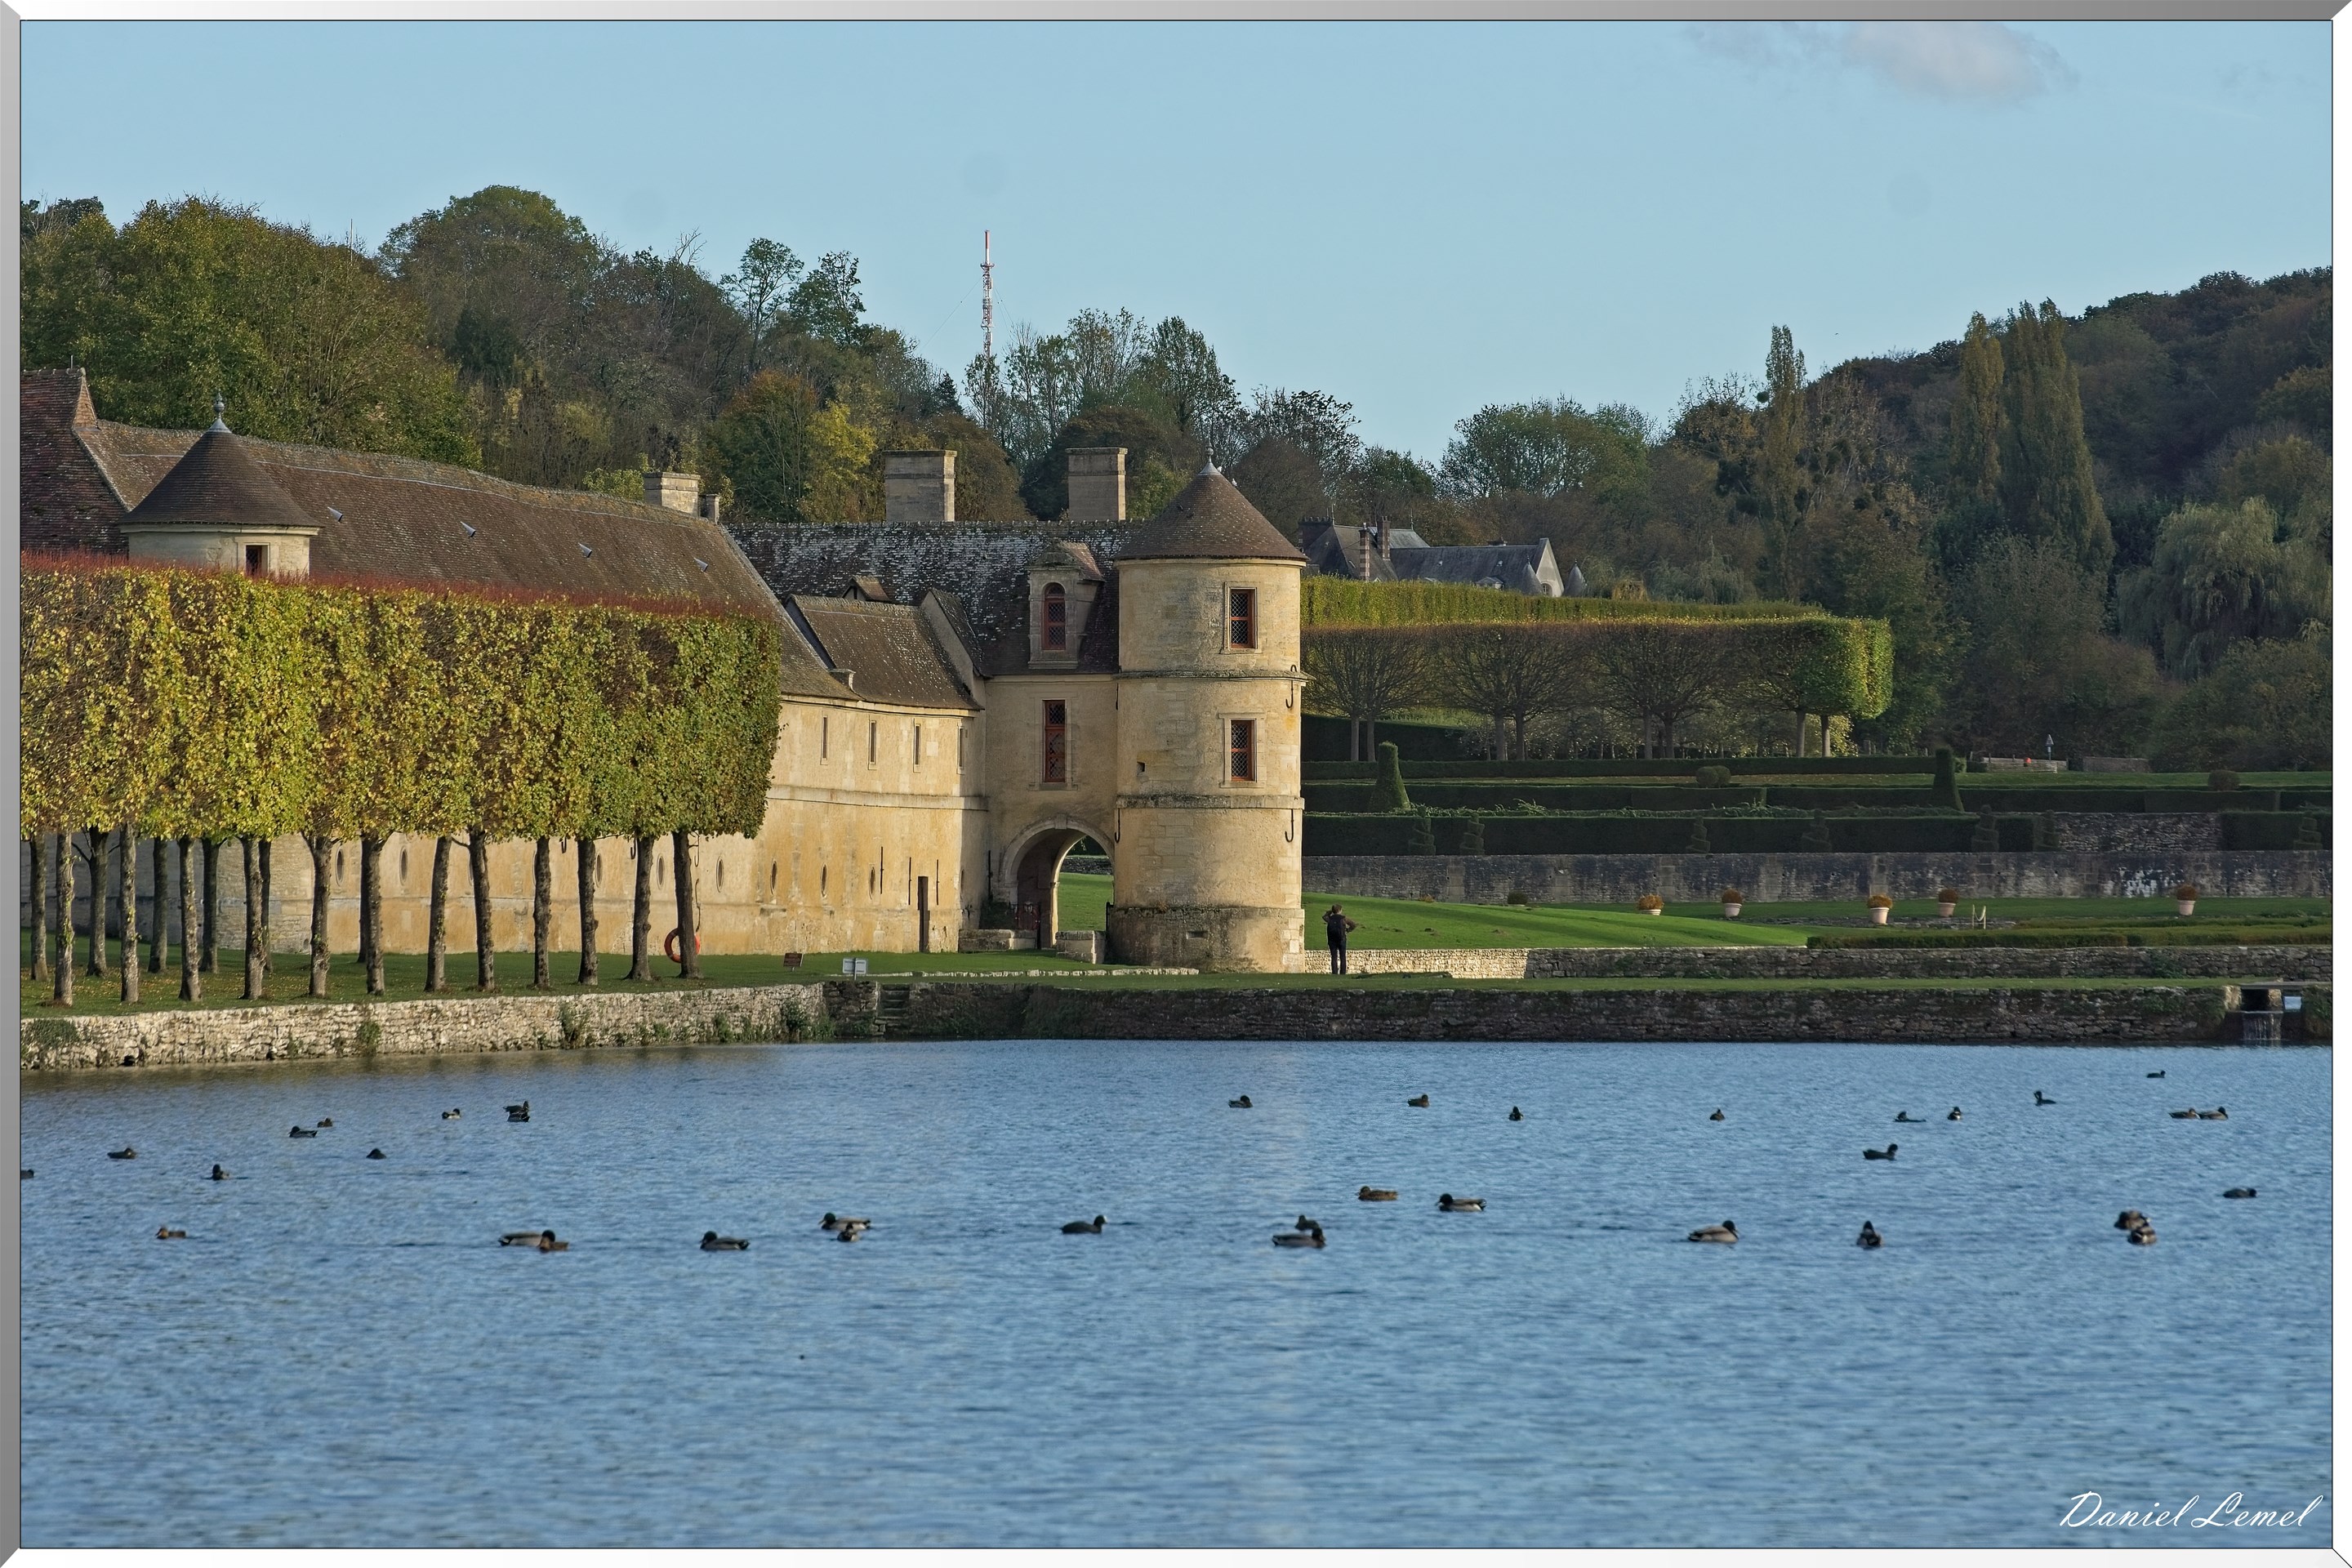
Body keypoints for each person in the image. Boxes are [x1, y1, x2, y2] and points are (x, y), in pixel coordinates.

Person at [1324, 904, 1356, 974]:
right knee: (1343, 956)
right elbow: (1353, 925)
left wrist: (1329, 912)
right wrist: (1348, 930)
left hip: (1332, 940)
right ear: (1340, 910)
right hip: (1342, 939)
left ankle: (1334, 972)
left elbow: (1324, 917)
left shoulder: (1330, 919)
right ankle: (1343, 972)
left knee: (1334, 957)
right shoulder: (1344, 919)